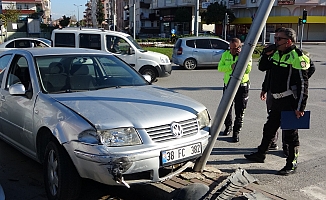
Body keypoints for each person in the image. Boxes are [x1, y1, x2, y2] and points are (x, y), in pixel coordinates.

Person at [244, 27, 311, 175]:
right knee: (269, 128)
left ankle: (291, 164)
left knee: (290, 135)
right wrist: (265, 54)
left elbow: (303, 84)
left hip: (290, 101)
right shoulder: (275, 53)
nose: (276, 41)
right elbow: (264, 69)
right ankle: (260, 154)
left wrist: (300, 106)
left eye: (279, 39)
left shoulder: (297, 56)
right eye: (275, 38)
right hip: (276, 100)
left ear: (288, 41)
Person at [218, 38, 252, 142]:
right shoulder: (226, 54)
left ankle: (236, 132)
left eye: (235, 48)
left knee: (240, 110)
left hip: (241, 86)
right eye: (231, 48)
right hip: (228, 85)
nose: (232, 50)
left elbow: (247, 70)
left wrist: (239, 58)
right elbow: (220, 68)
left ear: (240, 47)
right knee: (227, 108)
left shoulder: (245, 55)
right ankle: (228, 126)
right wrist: (230, 66)